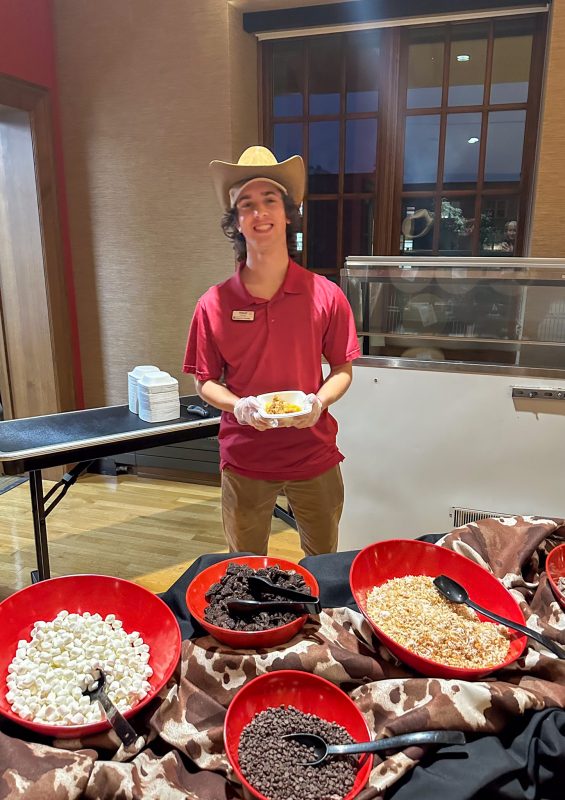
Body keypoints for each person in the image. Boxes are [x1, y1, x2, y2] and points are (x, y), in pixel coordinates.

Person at [183, 145, 360, 556]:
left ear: (286, 214)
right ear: (236, 222)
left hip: (314, 451)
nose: (259, 213)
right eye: (247, 205)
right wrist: (239, 406)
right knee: (244, 569)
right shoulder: (214, 303)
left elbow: (342, 369)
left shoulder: (326, 295)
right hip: (246, 455)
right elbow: (204, 381)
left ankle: (319, 623)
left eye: (269, 201)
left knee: (324, 563)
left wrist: (318, 402)